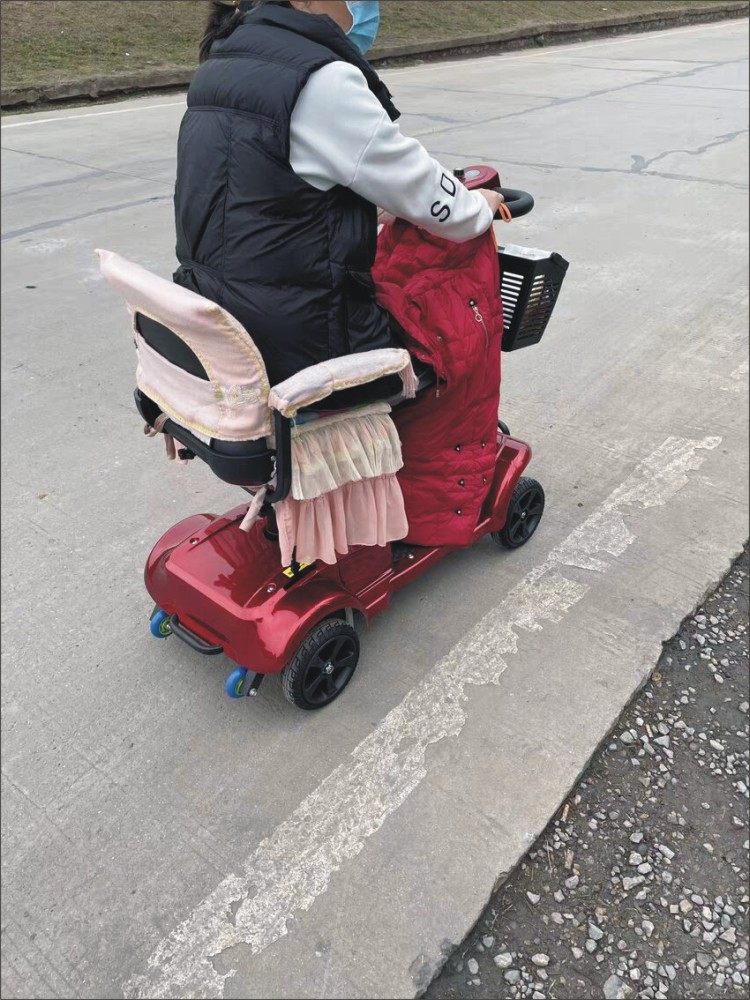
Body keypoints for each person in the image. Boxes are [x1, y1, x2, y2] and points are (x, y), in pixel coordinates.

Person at [174, 0, 505, 390]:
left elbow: (260, 194)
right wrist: (479, 206)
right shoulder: (320, 78)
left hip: (224, 321)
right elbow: (428, 192)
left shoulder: (221, 62)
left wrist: (373, 210)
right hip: (307, 342)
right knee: (462, 325)